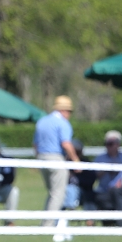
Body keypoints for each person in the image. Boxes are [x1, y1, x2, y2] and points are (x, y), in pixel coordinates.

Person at [33, 95, 80, 227]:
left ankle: (46, 221)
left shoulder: (42, 121)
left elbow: (35, 145)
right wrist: (75, 160)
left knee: (52, 192)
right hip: (56, 158)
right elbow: (66, 143)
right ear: (64, 110)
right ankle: (47, 225)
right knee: (58, 193)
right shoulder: (63, 123)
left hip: (41, 158)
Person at [93, 130, 122, 225]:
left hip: (119, 190)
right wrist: (106, 169)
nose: (109, 146)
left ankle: (120, 223)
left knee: (117, 192)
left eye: (111, 143)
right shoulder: (100, 159)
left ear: (118, 144)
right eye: (107, 143)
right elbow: (94, 176)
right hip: (104, 190)